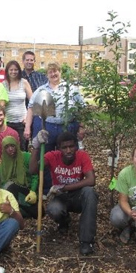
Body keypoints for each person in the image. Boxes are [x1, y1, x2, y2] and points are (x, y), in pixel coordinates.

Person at [29, 131, 97, 255]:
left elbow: (91, 180)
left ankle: (87, 241)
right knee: (54, 209)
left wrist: (66, 187)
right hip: (61, 197)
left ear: (76, 146)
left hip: (78, 195)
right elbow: (33, 170)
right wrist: (36, 147)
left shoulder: (82, 156)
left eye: (71, 146)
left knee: (90, 193)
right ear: (58, 148)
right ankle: (64, 221)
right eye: (64, 147)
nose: (68, 150)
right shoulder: (52, 156)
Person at [24, 62, 86, 193]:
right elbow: (30, 108)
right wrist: (27, 128)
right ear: (47, 75)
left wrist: (81, 127)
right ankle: (47, 189)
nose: (53, 74)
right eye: (50, 72)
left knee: (68, 156)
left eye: (55, 71)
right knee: (46, 157)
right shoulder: (41, 90)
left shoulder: (71, 89)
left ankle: (69, 186)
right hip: (48, 126)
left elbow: (82, 108)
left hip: (67, 126)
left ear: (60, 72)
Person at [0, 136, 39, 218]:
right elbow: (2, 183)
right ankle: (14, 209)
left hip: (26, 190)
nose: (10, 149)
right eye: (7, 147)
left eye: (12, 146)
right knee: (9, 184)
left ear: (17, 146)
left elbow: (35, 176)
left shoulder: (27, 157)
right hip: (10, 192)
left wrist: (33, 191)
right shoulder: (3, 163)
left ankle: (18, 209)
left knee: (38, 213)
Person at [3, 60, 32, 150]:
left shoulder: (24, 82)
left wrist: (27, 118)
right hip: (7, 123)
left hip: (21, 123)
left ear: (19, 70)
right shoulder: (3, 84)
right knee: (8, 149)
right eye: (11, 70)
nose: (13, 72)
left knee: (22, 149)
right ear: (7, 71)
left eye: (16, 69)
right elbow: (1, 104)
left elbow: (33, 102)